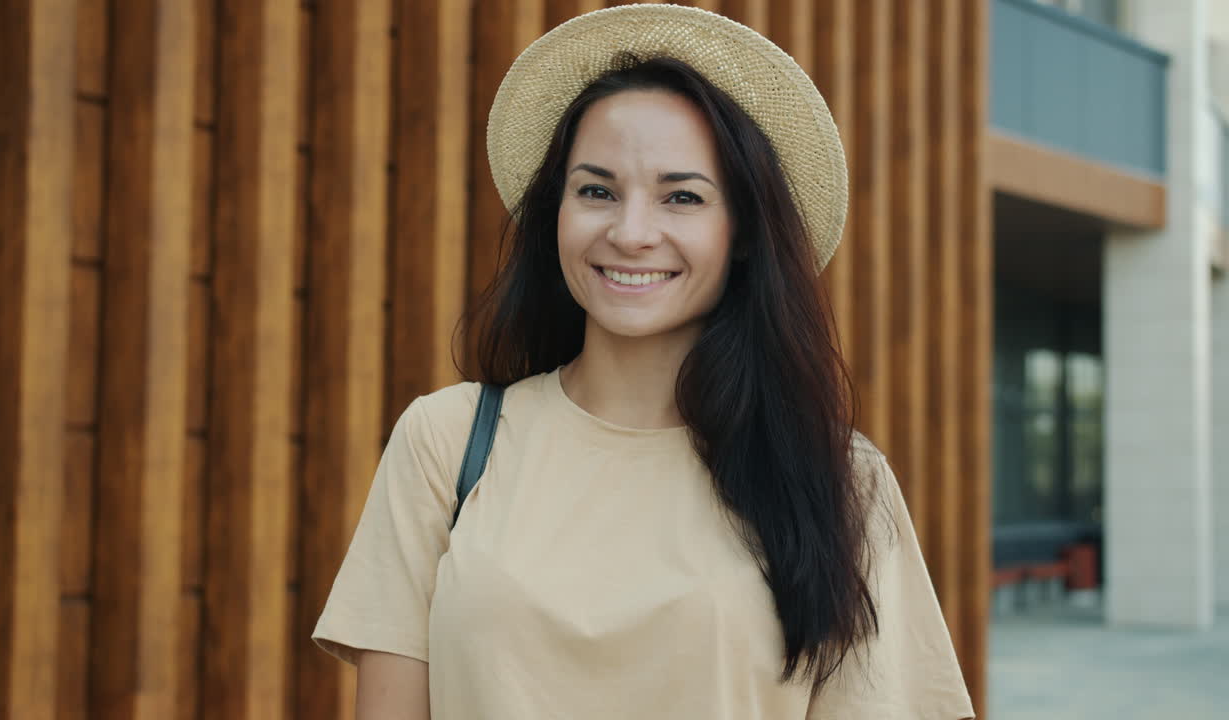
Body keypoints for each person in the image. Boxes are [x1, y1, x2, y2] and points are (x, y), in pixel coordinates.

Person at [313, 4, 974, 719]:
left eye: (681, 197)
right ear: (555, 214)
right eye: (596, 190)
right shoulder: (445, 441)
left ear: (745, 231)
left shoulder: (841, 483)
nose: (631, 233)